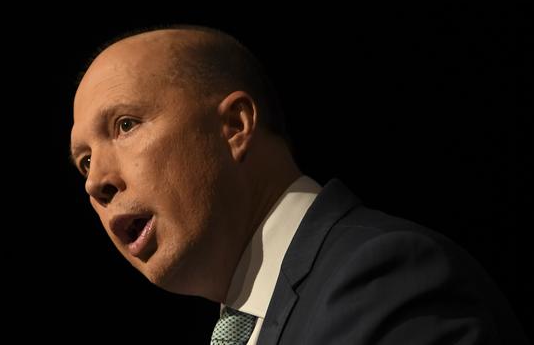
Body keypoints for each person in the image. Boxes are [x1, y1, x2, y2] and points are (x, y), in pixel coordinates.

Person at [69, 25, 529, 344]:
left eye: (126, 125)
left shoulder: (383, 278)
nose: (95, 183)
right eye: (84, 161)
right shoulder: (257, 318)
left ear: (235, 125)